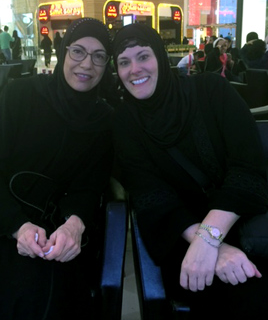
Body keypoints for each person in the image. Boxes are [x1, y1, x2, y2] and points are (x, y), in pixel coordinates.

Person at [111, 23, 268, 319]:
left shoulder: (211, 91)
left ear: (159, 56)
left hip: (247, 222)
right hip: (184, 239)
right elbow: (153, 198)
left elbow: (248, 167)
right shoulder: (125, 123)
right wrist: (211, 246)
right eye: (123, 61)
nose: (134, 69)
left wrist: (211, 239)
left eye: (143, 56)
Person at [0, 17, 114, 319]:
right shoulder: (21, 95)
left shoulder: (104, 119)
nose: (87, 64)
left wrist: (73, 225)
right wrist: (17, 226)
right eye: (78, 51)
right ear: (63, 52)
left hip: (54, 227)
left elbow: (88, 187)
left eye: (99, 56)